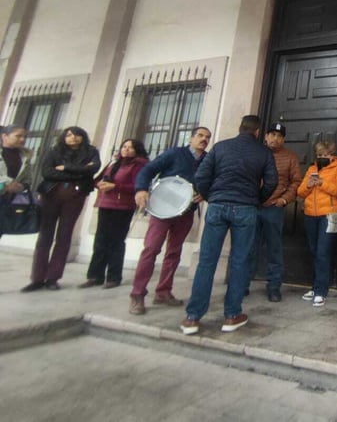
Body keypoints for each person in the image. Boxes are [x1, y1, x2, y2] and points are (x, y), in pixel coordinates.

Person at [181, 115, 277, 335]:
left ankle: (192, 318)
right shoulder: (264, 152)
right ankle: (232, 315)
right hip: (246, 208)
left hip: (217, 206)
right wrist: (257, 199)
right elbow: (271, 182)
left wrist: (210, 196)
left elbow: (201, 175)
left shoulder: (220, 147)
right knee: (240, 261)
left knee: (206, 261)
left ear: (240, 128)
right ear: (257, 131)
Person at [128, 126, 211, 315]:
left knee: (174, 252)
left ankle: (163, 292)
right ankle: (137, 294)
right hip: (161, 210)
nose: (203, 139)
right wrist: (141, 189)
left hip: (186, 211)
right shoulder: (175, 154)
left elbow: (212, 182)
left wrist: (205, 194)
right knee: (151, 249)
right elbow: (148, 170)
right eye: (200, 135)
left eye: (207, 137)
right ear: (191, 138)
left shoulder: (208, 160)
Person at [22, 126, 101, 291]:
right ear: (64, 137)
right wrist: (78, 173)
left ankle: (53, 278)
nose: (73, 138)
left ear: (82, 136)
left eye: (77, 135)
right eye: (69, 135)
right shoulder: (54, 151)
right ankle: (37, 278)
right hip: (51, 195)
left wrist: (65, 168)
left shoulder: (91, 152)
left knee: (64, 236)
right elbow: (47, 172)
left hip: (75, 197)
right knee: (45, 236)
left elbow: (92, 169)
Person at [80, 139, 149, 289]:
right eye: (124, 147)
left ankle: (113, 277)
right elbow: (98, 179)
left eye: (131, 147)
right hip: (106, 203)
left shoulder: (139, 165)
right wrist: (100, 184)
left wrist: (115, 186)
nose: (126, 150)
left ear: (137, 150)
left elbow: (137, 186)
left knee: (116, 241)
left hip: (123, 206)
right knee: (100, 240)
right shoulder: (114, 163)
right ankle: (95, 275)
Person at [247, 121, 302, 302]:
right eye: (272, 134)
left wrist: (284, 199)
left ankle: (273, 287)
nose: (275, 138)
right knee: (248, 247)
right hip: (252, 207)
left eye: (279, 136)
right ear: (265, 136)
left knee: (274, 249)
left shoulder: (290, 157)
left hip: (274, 209)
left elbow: (296, 182)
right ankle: (242, 283)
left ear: (283, 139)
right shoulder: (255, 152)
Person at [296, 139, 337, 308]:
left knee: (323, 252)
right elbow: (300, 192)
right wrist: (309, 186)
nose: (322, 157)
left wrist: (322, 183)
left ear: (332, 155)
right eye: (319, 155)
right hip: (311, 215)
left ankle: (321, 291)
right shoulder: (312, 168)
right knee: (313, 251)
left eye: (325, 154)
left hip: (329, 215)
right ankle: (315, 286)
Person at [0, 125, 33, 239]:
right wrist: (6, 184)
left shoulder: (24, 156)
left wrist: (21, 186)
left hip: (8, 199)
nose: (22, 139)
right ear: (4, 136)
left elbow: (28, 178)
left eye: (24, 137)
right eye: (18, 136)